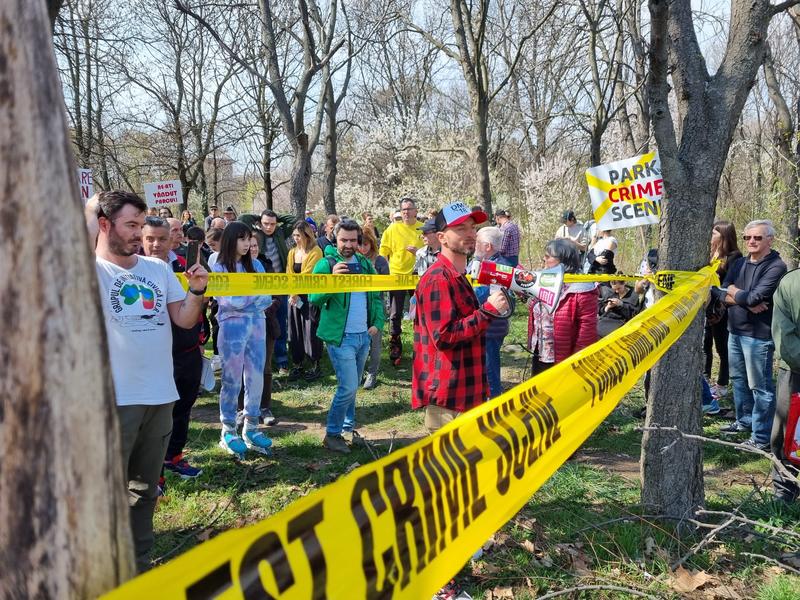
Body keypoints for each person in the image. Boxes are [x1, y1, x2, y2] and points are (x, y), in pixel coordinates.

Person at [90, 190, 207, 572]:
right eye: (131, 225)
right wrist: (93, 206)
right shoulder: (87, 271)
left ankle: (139, 564)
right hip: (112, 402)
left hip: (160, 396)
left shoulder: (156, 270)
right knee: (104, 492)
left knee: (144, 490)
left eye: (142, 225)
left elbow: (185, 319)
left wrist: (197, 292)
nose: (140, 235)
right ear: (104, 225)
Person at [412, 202, 509, 433]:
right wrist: (488, 311)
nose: (470, 234)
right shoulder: (438, 279)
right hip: (448, 400)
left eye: (472, 228)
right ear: (442, 238)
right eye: (461, 229)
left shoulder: (457, 276)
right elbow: (444, 336)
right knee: (445, 469)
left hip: (466, 394)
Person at [309, 220, 385, 453]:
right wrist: (333, 280)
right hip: (340, 338)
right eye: (344, 240)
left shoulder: (364, 263)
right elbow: (313, 298)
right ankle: (332, 434)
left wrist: (377, 323)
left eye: (353, 240)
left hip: (363, 336)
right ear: (335, 239)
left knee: (352, 389)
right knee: (349, 387)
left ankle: (348, 430)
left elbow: (376, 295)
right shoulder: (326, 263)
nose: (349, 245)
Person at [141, 217, 206, 482]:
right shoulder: (132, 271)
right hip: (153, 354)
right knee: (153, 417)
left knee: (183, 406)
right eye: (150, 239)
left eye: (162, 239)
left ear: (172, 240)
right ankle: (152, 475)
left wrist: (200, 340)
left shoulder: (185, 266)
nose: (156, 245)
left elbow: (197, 304)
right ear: (142, 240)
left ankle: (174, 456)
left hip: (187, 350)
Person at [717, 220, 786, 451]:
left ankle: (762, 437)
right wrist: (743, 299)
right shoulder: (739, 263)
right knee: (739, 381)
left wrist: (736, 294)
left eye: (757, 237)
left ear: (769, 240)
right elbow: (720, 291)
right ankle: (744, 422)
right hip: (734, 331)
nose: (751, 242)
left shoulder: (776, 266)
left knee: (760, 387)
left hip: (759, 336)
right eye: (747, 238)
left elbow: (755, 298)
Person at [212, 222, 274, 457]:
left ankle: (252, 427)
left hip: (258, 329)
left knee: (255, 377)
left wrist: (246, 301)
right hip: (232, 332)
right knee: (232, 379)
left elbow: (266, 298)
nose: (248, 243)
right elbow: (227, 302)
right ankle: (228, 429)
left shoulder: (256, 265)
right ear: (230, 240)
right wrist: (251, 301)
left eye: (249, 238)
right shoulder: (219, 268)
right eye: (242, 239)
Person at [528, 238, 598, 374]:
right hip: (541, 352)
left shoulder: (583, 289)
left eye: (548, 257)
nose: (544, 259)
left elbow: (586, 333)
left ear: (563, 260)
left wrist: (576, 363)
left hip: (564, 359)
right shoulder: (545, 280)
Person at [237, 236, 281, 427]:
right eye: (248, 245)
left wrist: (265, 308)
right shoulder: (233, 268)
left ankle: (264, 407)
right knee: (239, 367)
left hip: (266, 323)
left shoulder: (266, 266)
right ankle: (241, 409)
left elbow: (277, 293)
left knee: (264, 367)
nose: (251, 248)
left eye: (255, 245)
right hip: (239, 324)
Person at [379, 197, 425, 366]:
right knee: (395, 312)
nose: (406, 212)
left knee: (420, 311)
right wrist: (384, 272)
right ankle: (395, 345)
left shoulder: (422, 228)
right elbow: (383, 251)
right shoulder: (392, 229)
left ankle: (421, 344)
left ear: (416, 210)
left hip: (417, 275)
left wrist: (418, 251)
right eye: (403, 209)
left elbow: (433, 250)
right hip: (397, 274)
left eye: (409, 209)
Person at [472, 226, 515, 398]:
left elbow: (493, 294)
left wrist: (467, 292)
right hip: (489, 321)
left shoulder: (498, 267)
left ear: (487, 246)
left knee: (489, 365)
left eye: (477, 243)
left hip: (493, 324)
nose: (474, 246)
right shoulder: (487, 264)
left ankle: (493, 399)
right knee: (485, 363)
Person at [703, 220, 742, 402]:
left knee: (722, 347)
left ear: (724, 235)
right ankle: (705, 380)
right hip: (707, 307)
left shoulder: (734, 257)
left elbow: (729, 283)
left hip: (723, 309)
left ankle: (722, 384)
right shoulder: (709, 254)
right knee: (705, 346)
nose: (711, 236)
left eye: (714, 233)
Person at [771, 268, 800, 502]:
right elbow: (785, 336)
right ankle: (784, 491)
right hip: (795, 370)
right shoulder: (791, 282)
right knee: (787, 432)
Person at [286, 221, 324, 381]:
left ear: (307, 235)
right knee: (295, 331)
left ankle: (315, 364)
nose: (296, 239)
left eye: (299, 236)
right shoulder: (292, 252)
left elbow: (308, 274)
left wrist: (295, 292)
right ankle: (298, 364)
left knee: (310, 330)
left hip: (309, 297)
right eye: (294, 235)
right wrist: (292, 293)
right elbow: (289, 273)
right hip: (294, 298)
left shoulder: (316, 251)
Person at [259, 209, 291, 374]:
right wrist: (258, 218)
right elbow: (243, 218)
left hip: (281, 286)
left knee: (280, 322)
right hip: (261, 287)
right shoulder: (255, 235)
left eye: (272, 224)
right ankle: (264, 360)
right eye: (265, 223)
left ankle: (282, 360)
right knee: (261, 323)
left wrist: (278, 218)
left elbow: (293, 220)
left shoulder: (280, 233)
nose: (269, 227)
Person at [358, 227, 389, 390]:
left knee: (375, 342)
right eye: (359, 244)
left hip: (376, 305)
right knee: (360, 341)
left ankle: (372, 373)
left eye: (365, 244)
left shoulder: (380, 261)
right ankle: (359, 371)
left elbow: (386, 285)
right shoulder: (354, 259)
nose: (362, 248)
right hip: (358, 306)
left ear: (371, 243)